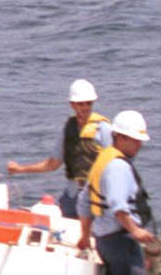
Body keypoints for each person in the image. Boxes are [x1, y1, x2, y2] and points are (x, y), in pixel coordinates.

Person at [89, 110, 159, 275]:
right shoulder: (118, 167)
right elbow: (119, 206)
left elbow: (83, 201)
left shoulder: (104, 159)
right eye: (135, 139)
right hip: (120, 239)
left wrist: (84, 232)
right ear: (120, 137)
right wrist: (136, 231)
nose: (139, 145)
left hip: (104, 237)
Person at [6, 78, 108, 221]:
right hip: (72, 195)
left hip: (96, 198)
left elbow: (116, 163)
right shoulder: (68, 129)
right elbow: (53, 164)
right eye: (81, 103)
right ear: (72, 104)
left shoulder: (103, 129)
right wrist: (21, 169)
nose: (85, 107)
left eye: (89, 103)